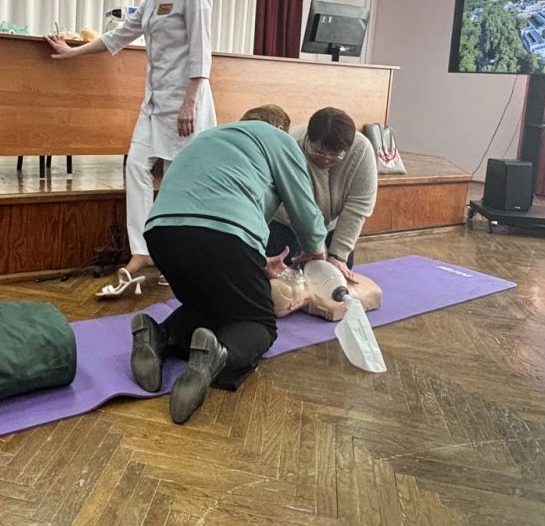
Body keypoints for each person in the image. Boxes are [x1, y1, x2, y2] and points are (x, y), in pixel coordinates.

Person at [44, 0, 215, 299]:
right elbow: (119, 35)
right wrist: (73, 52)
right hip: (154, 103)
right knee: (136, 165)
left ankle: (178, 256)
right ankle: (143, 250)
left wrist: (190, 102)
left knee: (177, 181)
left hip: (184, 103)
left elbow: (202, 53)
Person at [129, 110, 329, 424]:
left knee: (212, 305)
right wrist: (318, 254)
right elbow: (303, 207)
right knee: (259, 324)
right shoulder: (279, 139)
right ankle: (217, 355)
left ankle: (158, 335)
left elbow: (211, 199)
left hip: (161, 233)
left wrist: (257, 262)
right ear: (279, 128)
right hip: (225, 234)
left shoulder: (208, 137)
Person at [267, 107, 377, 284]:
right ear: (308, 139)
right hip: (288, 221)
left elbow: (358, 207)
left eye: (334, 155)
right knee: (283, 275)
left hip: (332, 223)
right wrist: (315, 245)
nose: (325, 159)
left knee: (337, 273)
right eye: (318, 152)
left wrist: (338, 255)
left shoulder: (361, 150)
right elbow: (290, 204)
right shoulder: (290, 144)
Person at [270, 259, 383, 321]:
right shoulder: (330, 303)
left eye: (284, 278)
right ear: (294, 304)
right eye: (291, 285)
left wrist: (337, 255)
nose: (291, 277)